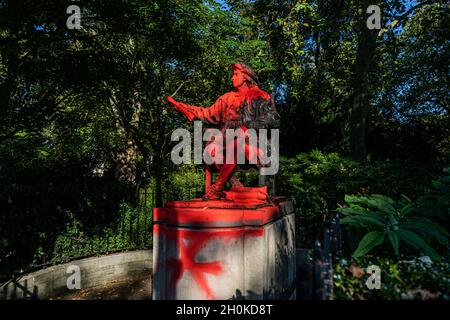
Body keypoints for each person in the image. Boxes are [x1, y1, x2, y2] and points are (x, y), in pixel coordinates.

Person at [166, 63, 278, 200]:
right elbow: (208, 114)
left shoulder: (260, 96)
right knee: (211, 149)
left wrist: (249, 128)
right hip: (230, 144)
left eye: (236, 74)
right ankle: (234, 183)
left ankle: (218, 187)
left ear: (245, 77)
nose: (232, 78)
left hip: (255, 145)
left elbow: (272, 120)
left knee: (237, 143)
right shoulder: (226, 98)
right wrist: (186, 108)